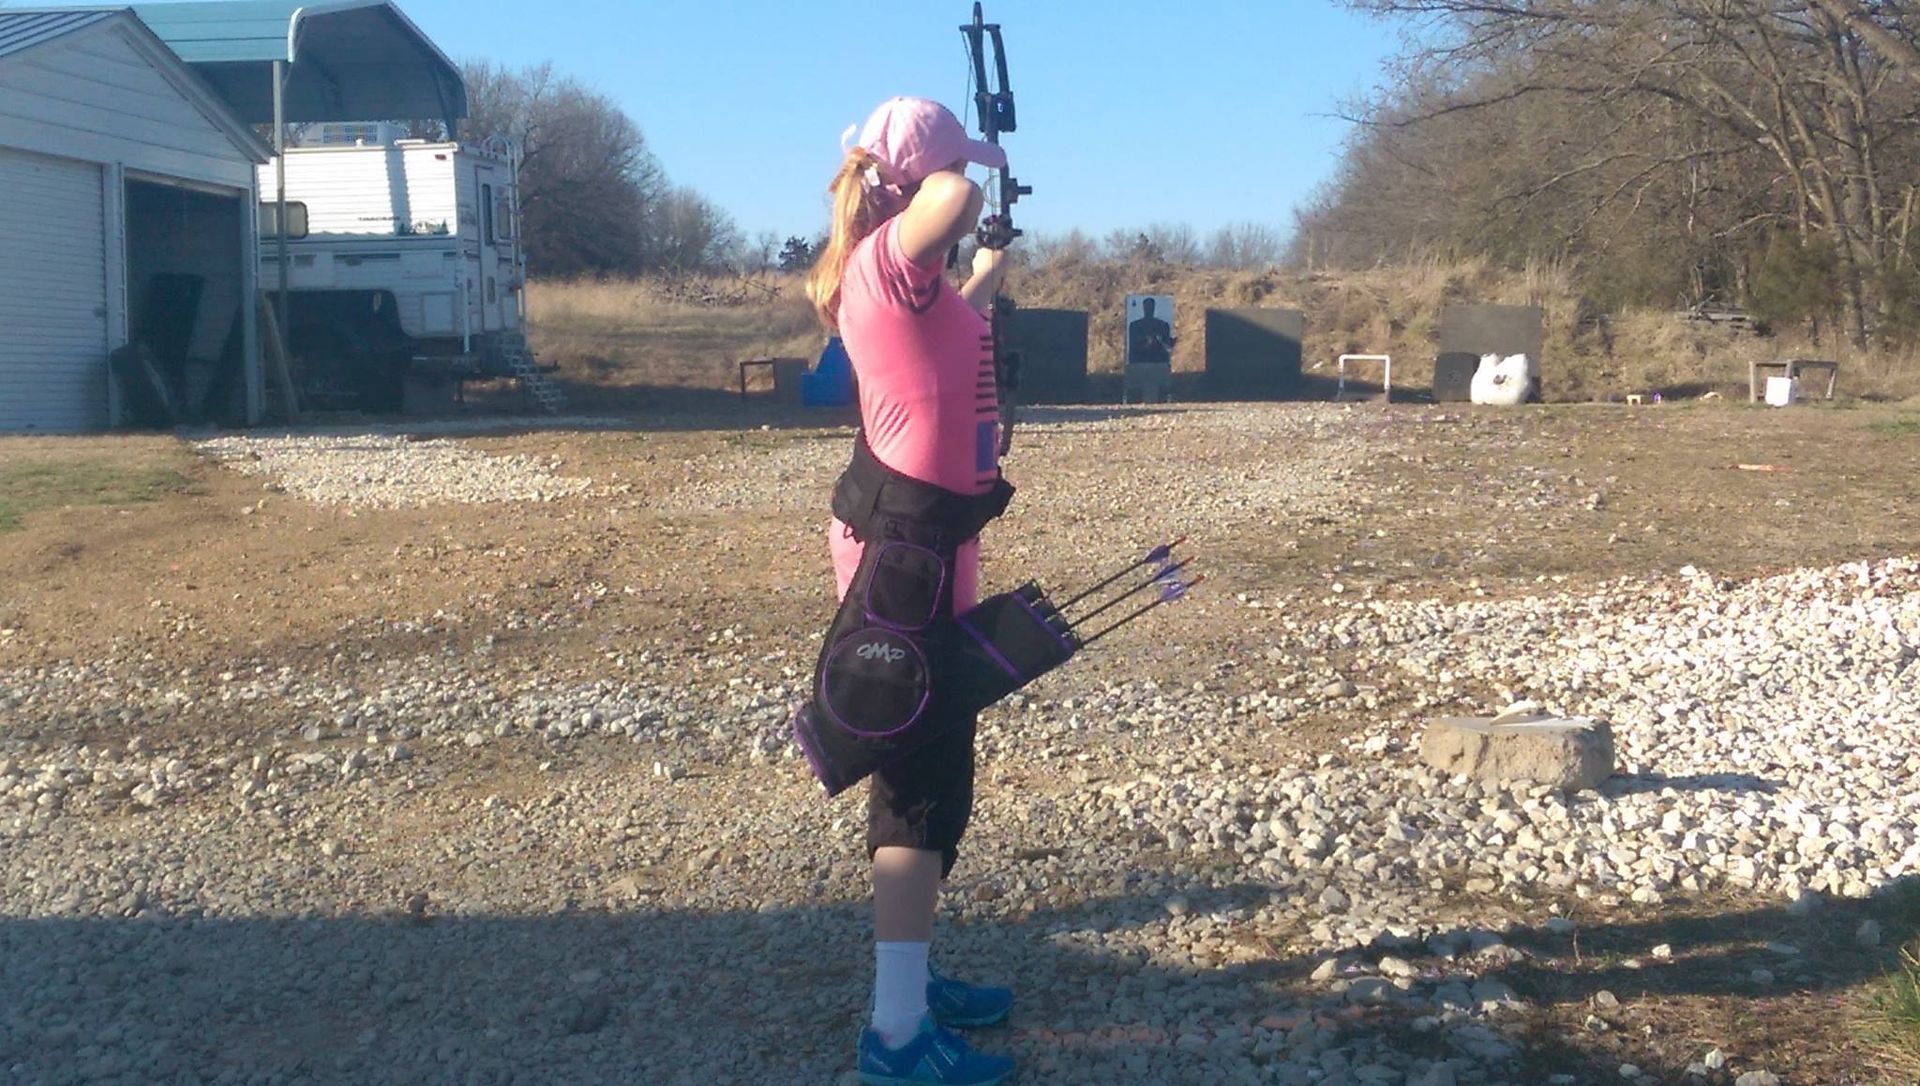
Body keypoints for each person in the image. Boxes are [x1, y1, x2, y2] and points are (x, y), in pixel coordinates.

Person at [802, 96, 1019, 1086]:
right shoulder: (886, 260)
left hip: (935, 547)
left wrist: (988, 267)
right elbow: (953, 192)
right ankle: (895, 1036)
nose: (966, 194)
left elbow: (962, 310)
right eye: (946, 174)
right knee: (913, 786)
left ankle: (913, 985)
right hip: (903, 561)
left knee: (943, 780)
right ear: (909, 185)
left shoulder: (917, 281)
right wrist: (957, 174)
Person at [1127, 296, 1175, 366]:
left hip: (1158, 360)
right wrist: (1146, 342)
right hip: (1140, 360)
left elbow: (1167, 346)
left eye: (1150, 307)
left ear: (1153, 308)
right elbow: (1133, 347)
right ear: (1144, 308)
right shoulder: (1135, 325)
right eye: (1147, 307)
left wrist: (1159, 340)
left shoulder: (1162, 325)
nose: (1149, 309)